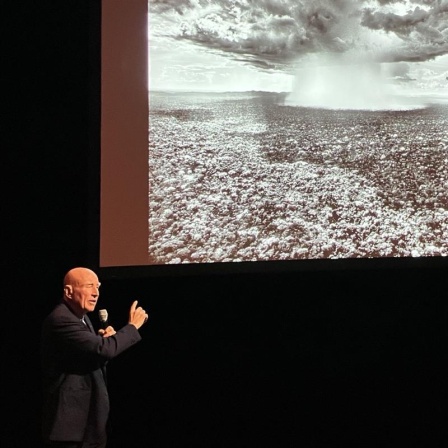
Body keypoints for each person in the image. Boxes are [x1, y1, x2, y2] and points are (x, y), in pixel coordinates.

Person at [41, 267, 148, 448]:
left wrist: (103, 340)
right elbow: (103, 350)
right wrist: (132, 327)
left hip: (87, 422)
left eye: (98, 287)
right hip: (71, 426)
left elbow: (90, 355)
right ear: (68, 291)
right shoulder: (61, 319)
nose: (95, 293)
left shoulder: (82, 318)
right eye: (89, 286)